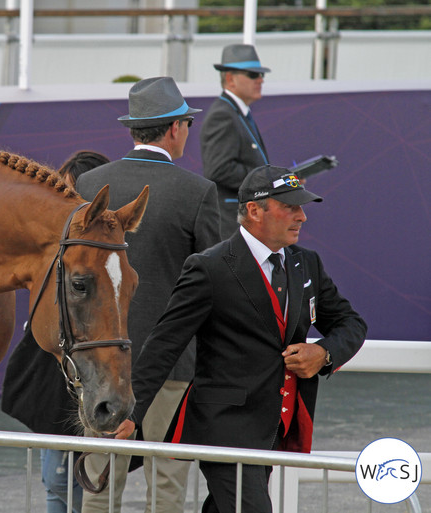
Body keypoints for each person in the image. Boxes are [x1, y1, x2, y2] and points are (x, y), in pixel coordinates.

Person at [115, 165, 367, 512]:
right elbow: (164, 343)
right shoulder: (209, 267)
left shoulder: (306, 264)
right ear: (254, 210)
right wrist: (133, 412)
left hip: (276, 425)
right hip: (224, 429)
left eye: (302, 206)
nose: (302, 216)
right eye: (290, 206)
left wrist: (323, 353)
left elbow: (350, 323)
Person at [74, 76, 221, 513]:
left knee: (98, 486)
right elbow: (212, 286)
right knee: (168, 490)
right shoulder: (197, 193)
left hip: (101, 363)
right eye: (187, 124)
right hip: (175, 364)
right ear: (175, 128)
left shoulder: (89, 186)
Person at [1, 151, 110, 513]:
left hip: (90, 370)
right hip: (55, 376)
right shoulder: (52, 243)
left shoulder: (102, 251)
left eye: (68, 189)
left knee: (79, 485)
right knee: (57, 483)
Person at [200, 43, 271, 239]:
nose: (260, 80)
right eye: (252, 75)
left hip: (243, 223)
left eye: (261, 75)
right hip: (233, 226)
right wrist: (268, 181)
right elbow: (219, 169)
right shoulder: (223, 114)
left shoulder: (237, 112)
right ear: (230, 78)